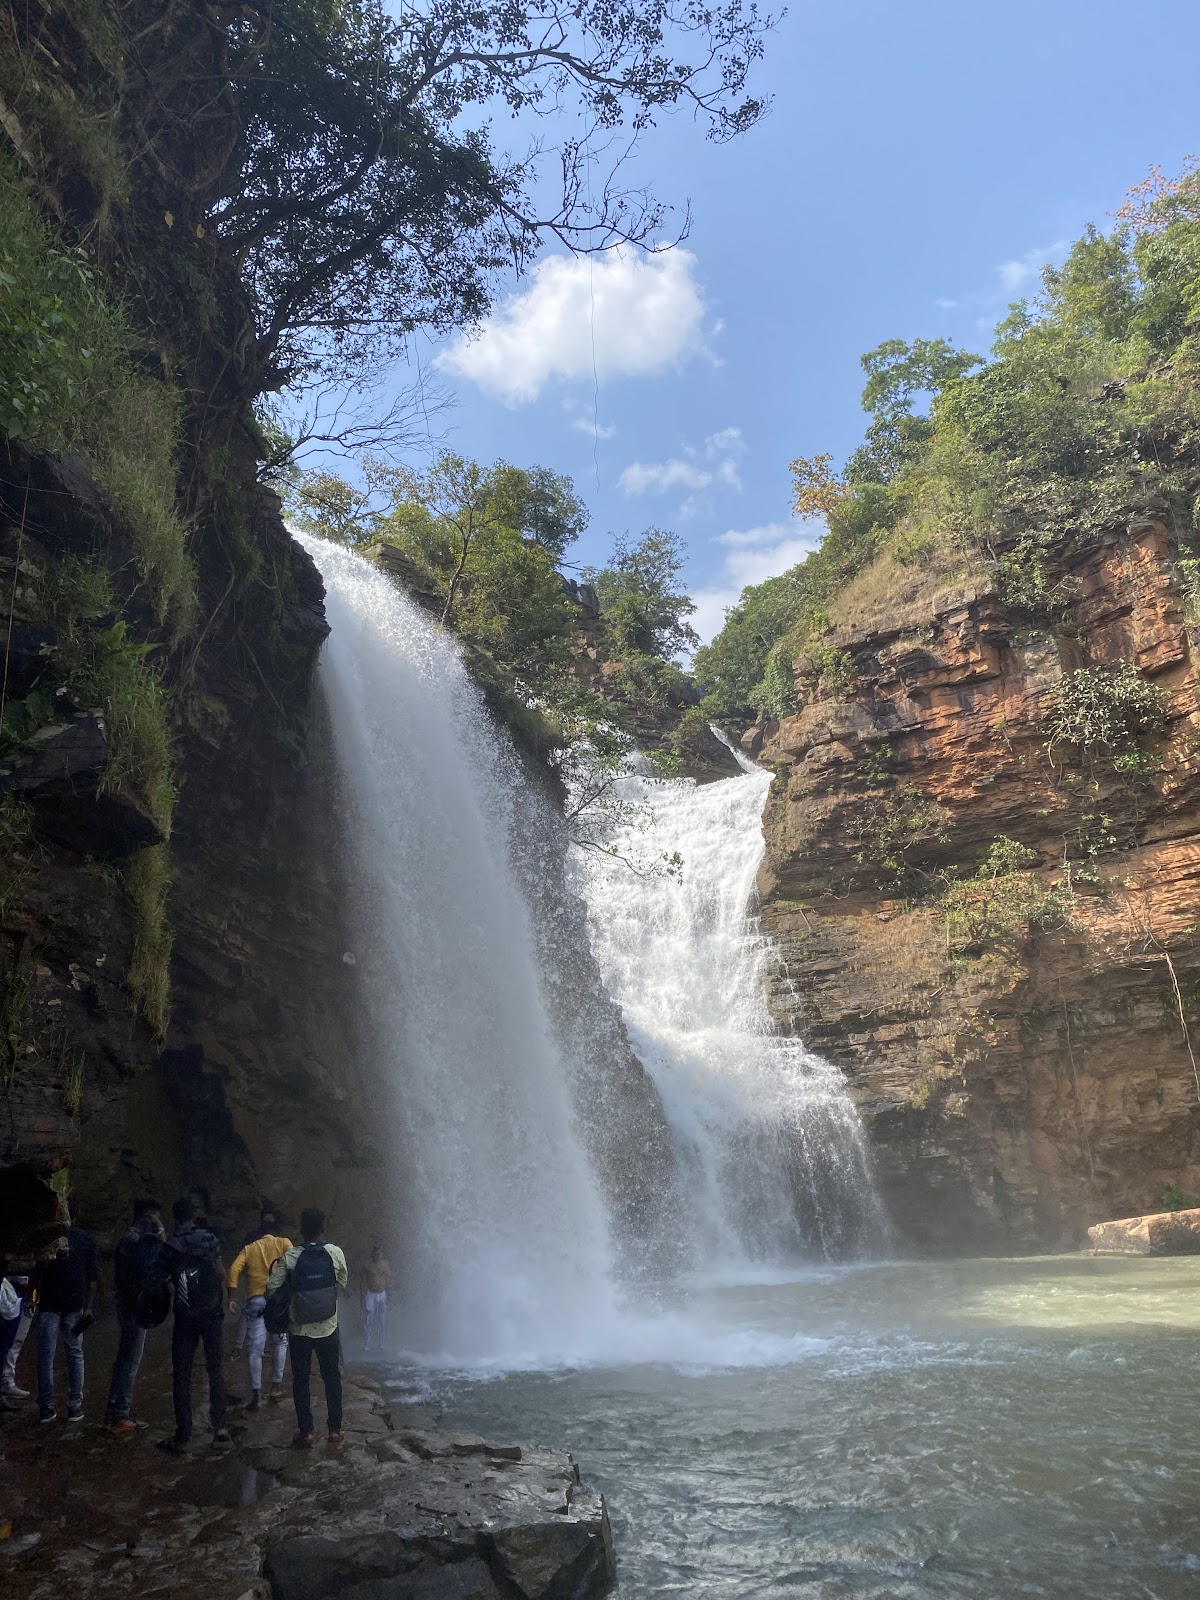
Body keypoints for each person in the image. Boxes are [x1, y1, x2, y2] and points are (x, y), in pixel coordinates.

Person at [267, 1207, 347, 1449]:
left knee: (301, 1380)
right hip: (328, 1327)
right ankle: (334, 1431)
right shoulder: (334, 1253)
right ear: (322, 1228)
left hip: (299, 1328)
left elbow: (272, 1286)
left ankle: (307, 1432)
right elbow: (342, 1283)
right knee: (331, 1377)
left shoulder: (291, 1257)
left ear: (302, 1231)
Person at [158, 1197, 230, 1455]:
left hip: (185, 1316)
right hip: (211, 1313)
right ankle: (220, 1428)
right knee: (214, 1367)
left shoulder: (171, 1245)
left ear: (175, 1217)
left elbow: (160, 1279)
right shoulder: (209, 1239)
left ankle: (183, 1434)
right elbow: (221, 1274)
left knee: (182, 1372)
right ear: (194, 1216)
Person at [104, 1198, 166, 1434]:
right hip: (135, 1307)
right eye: (156, 1218)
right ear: (148, 1217)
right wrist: (160, 1232)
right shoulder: (138, 1240)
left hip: (128, 1304)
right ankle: (120, 1415)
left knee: (125, 1359)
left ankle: (115, 1412)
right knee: (130, 1361)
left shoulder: (130, 1239)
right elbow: (153, 1265)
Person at [227, 1207, 293, 1409]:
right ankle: (276, 1387)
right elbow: (295, 1263)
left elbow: (234, 1269)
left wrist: (231, 1294)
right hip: (277, 1301)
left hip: (255, 1300)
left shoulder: (250, 1247)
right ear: (275, 1231)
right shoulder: (283, 1243)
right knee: (280, 1343)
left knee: (256, 1349)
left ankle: (256, 1393)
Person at [34, 1218, 99, 1424]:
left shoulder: (46, 1237)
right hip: (74, 1303)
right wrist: (88, 1307)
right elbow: (92, 1278)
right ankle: (74, 1406)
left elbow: (37, 1270)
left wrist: (31, 1297)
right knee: (75, 1354)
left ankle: (47, 1408)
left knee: (46, 1357)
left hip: (49, 1303)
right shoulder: (84, 1238)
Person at [359, 1244, 390, 1351]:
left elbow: (388, 1279)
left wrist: (388, 1294)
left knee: (381, 1320)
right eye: (376, 1254)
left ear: (382, 1254)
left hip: (382, 1293)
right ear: (372, 1255)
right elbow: (362, 1281)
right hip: (370, 1294)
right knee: (369, 1320)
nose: (378, 1256)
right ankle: (366, 1344)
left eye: (379, 1254)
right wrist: (362, 1297)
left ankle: (381, 1344)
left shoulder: (385, 1265)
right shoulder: (367, 1265)